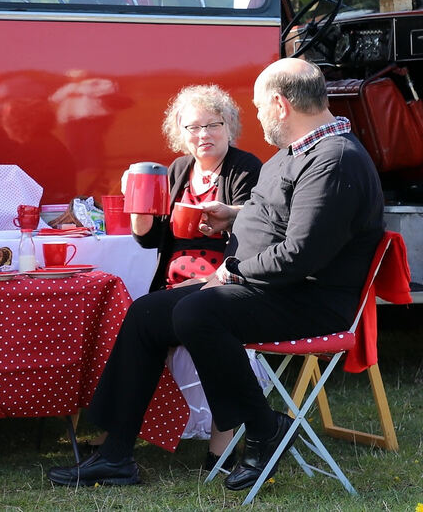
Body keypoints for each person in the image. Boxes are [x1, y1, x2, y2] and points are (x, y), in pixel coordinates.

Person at [47, 58, 383, 492]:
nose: (258, 118)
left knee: (198, 312)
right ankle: (115, 456)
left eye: (260, 107)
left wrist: (232, 270)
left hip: (307, 299)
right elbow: (274, 218)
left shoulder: (334, 160)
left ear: (280, 105)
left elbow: (302, 255)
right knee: (148, 313)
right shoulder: (298, 153)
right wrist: (231, 219)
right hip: (271, 287)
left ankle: (264, 429)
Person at [126, 84, 262, 470]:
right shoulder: (178, 169)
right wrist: (138, 203)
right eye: (192, 128)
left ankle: (219, 451)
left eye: (211, 125)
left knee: (200, 335)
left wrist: (207, 280)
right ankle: (121, 436)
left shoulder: (245, 167)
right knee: (138, 327)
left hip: (223, 280)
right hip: (174, 282)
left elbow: (254, 234)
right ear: (179, 133)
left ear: (229, 125)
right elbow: (152, 238)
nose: (202, 135)